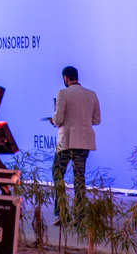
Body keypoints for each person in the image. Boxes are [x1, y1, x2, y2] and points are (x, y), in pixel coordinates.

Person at [51, 65, 100, 223]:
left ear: (65, 78)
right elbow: (96, 120)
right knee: (79, 178)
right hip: (84, 142)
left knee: (57, 174)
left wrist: (53, 120)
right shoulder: (91, 94)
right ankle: (79, 215)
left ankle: (62, 213)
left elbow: (58, 120)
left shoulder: (62, 93)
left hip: (66, 142)